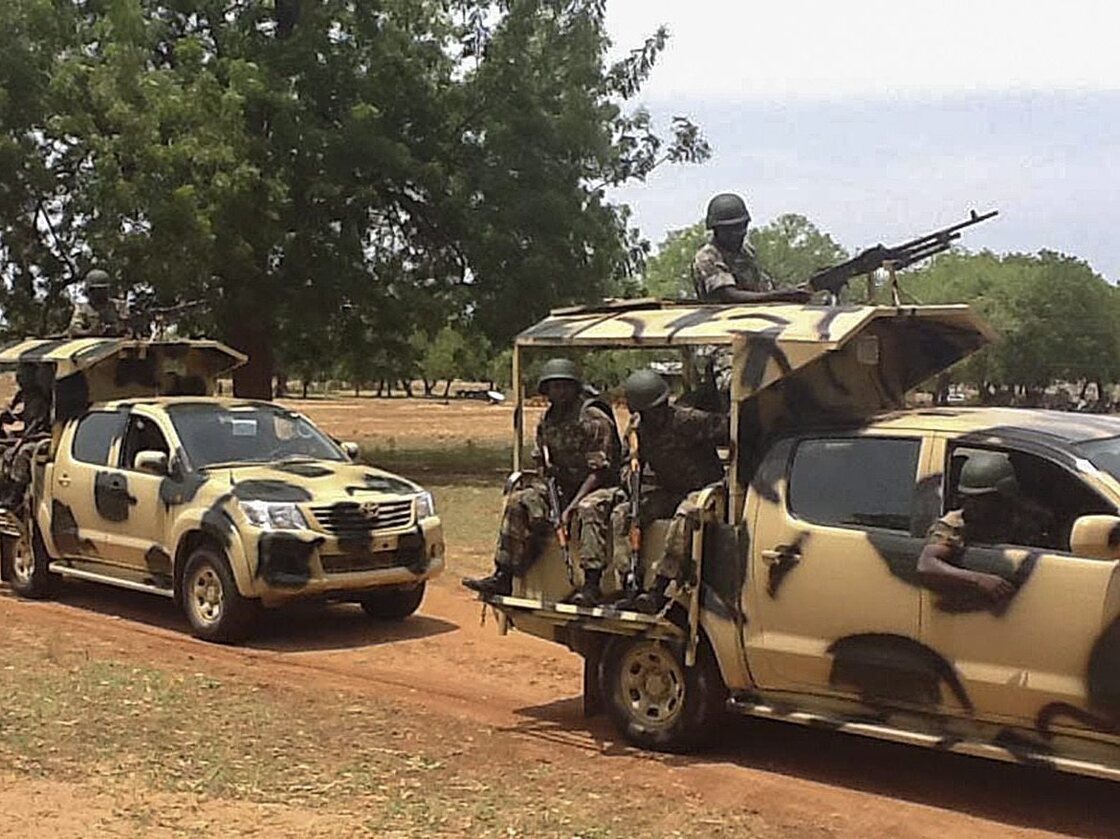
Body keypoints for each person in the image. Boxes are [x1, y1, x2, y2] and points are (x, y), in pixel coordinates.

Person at [463, 358, 620, 598]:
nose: (560, 392)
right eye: (554, 386)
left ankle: (591, 584)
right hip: (562, 486)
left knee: (588, 508)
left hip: (598, 486)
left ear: (575, 387)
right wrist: (545, 495)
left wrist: (572, 506)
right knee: (519, 501)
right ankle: (503, 574)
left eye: (565, 386)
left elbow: (598, 471)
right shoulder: (547, 420)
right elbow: (543, 463)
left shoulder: (593, 418)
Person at [576, 368, 729, 613]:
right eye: (649, 411)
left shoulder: (687, 420)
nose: (656, 416)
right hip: (667, 490)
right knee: (623, 515)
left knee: (686, 515)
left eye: (659, 408)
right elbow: (628, 461)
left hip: (702, 490)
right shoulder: (637, 429)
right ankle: (629, 583)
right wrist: (631, 477)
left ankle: (660, 587)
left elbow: (729, 430)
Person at [917, 451, 1054, 603]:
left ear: (1002, 497)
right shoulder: (956, 523)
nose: (972, 505)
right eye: (969, 498)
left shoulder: (1027, 516)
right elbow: (927, 564)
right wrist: (979, 580)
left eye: (982, 499)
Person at [692, 193, 811, 304]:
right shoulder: (708, 257)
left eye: (742, 226)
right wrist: (780, 296)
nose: (738, 233)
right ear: (716, 229)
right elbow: (729, 296)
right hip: (720, 321)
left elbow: (765, 287)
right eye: (730, 229)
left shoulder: (746, 252)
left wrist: (803, 289)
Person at [68, 268, 128, 337]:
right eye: (95, 290)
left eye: (102, 289)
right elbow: (74, 330)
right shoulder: (82, 309)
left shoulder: (118, 306)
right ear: (88, 291)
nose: (99, 293)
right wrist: (90, 332)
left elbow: (129, 326)